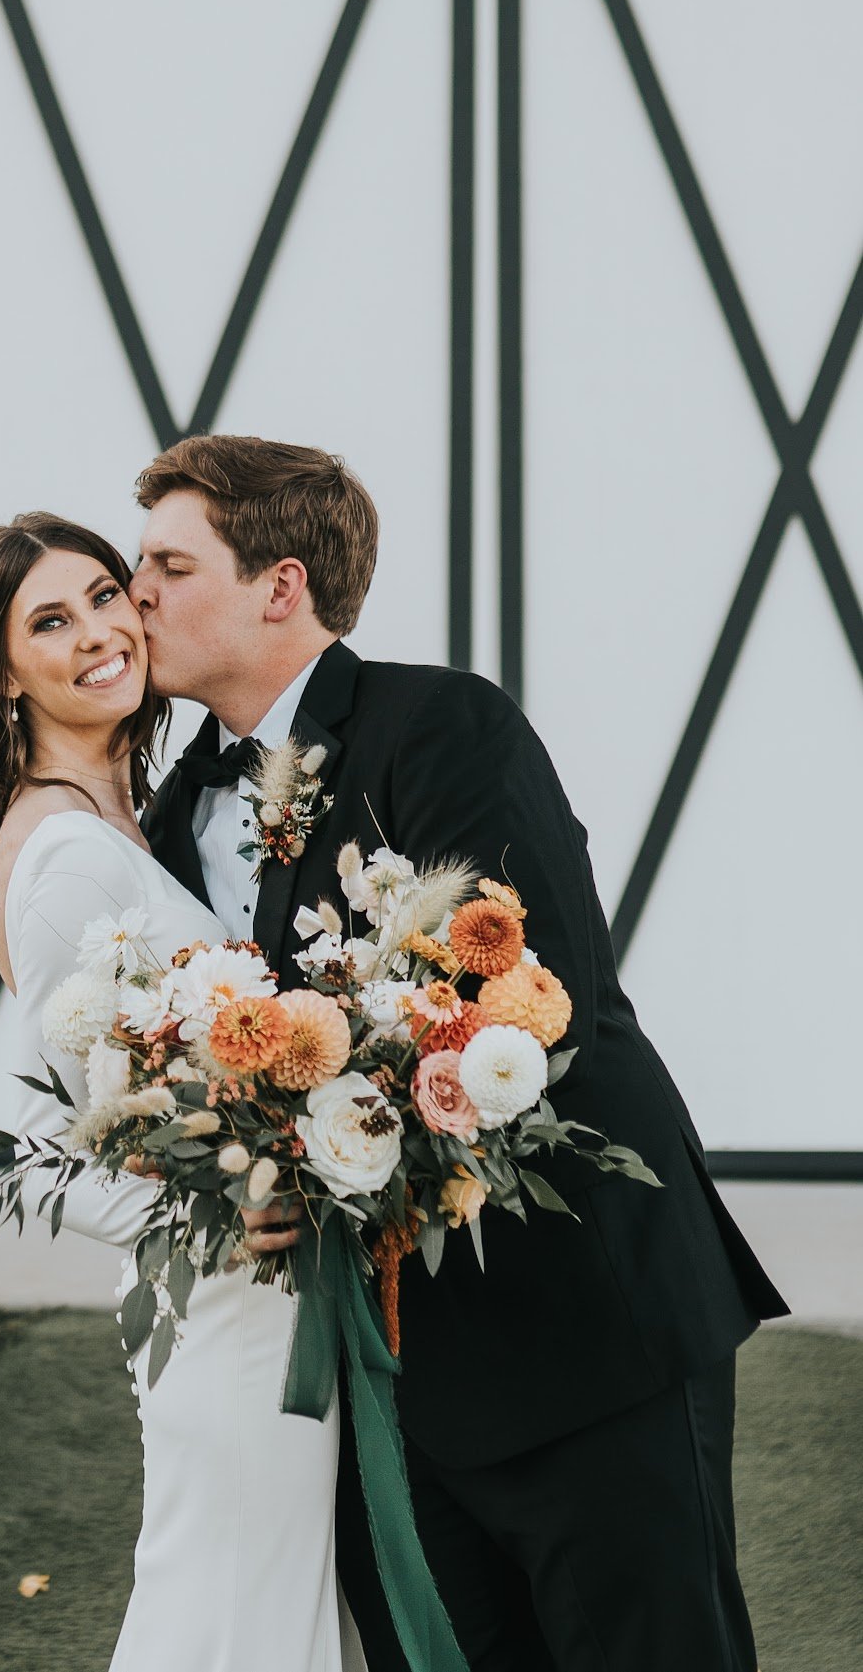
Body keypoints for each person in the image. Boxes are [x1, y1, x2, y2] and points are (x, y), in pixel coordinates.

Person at [132, 434, 789, 1672]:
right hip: (382, 1381)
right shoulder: (178, 814)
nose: (140, 591)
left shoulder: (442, 724)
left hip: (580, 1320)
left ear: (280, 586)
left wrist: (300, 1131)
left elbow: (528, 999)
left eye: (169, 562)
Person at [0, 511, 365, 1672]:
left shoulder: (123, 821)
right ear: (2, 671)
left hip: (260, 1298)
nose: (97, 633)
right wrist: (217, 1217)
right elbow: (36, 1137)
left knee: (254, 1607)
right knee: (228, 1616)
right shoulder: (69, 855)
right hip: (225, 1301)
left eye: (105, 596)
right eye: (49, 621)